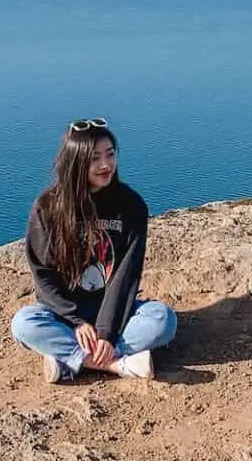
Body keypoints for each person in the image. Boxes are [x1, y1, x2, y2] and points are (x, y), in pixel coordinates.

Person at [12, 119, 177, 384]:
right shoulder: (48, 207)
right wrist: (77, 321)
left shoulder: (130, 205)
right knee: (24, 323)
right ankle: (119, 365)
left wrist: (106, 333)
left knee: (163, 319)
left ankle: (70, 361)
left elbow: (126, 276)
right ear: (76, 161)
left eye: (110, 155)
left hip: (115, 312)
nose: (105, 165)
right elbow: (43, 276)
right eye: (95, 158)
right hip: (65, 315)